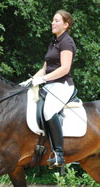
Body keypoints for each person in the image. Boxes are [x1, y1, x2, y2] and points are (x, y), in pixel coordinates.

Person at [20, 10, 76, 168]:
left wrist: (42, 79)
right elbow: (45, 69)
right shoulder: (54, 42)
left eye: (57, 20)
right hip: (50, 84)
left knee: (48, 110)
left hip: (63, 85)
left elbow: (65, 69)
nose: (53, 23)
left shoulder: (67, 42)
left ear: (66, 25)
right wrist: (29, 81)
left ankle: (59, 154)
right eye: (53, 20)